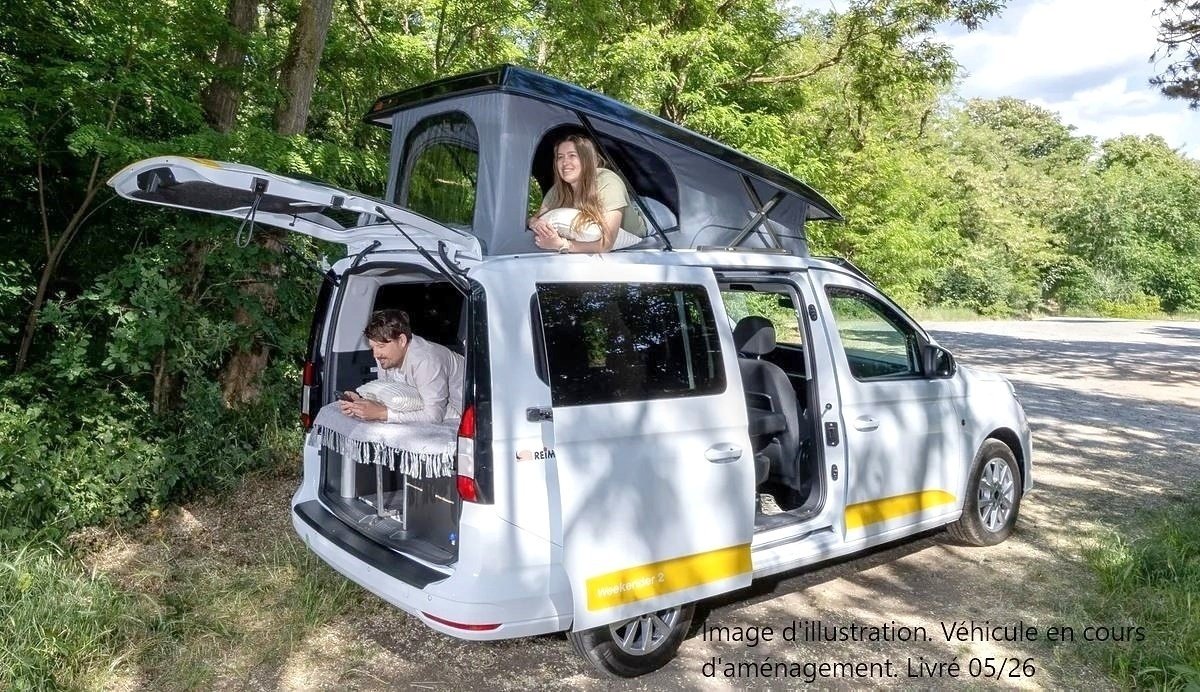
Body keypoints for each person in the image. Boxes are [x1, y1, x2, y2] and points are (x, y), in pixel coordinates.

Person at [338, 309, 464, 424]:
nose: (375, 354)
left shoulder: (427, 360)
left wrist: (382, 414)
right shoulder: (384, 357)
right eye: (373, 347)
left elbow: (434, 416)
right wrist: (362, 402)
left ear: (402, 340)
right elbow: (390, 393)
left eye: (381, 346)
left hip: (463, 414)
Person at [527, 135, 646, 253]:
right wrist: (535, 223)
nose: (565, 162)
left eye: (572, 155)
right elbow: (534, 218)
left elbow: (606, 244)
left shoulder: (608, 181)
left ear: (586, 159)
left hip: (646, 215)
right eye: (560, 157)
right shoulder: (558, 189)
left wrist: (562, 244)